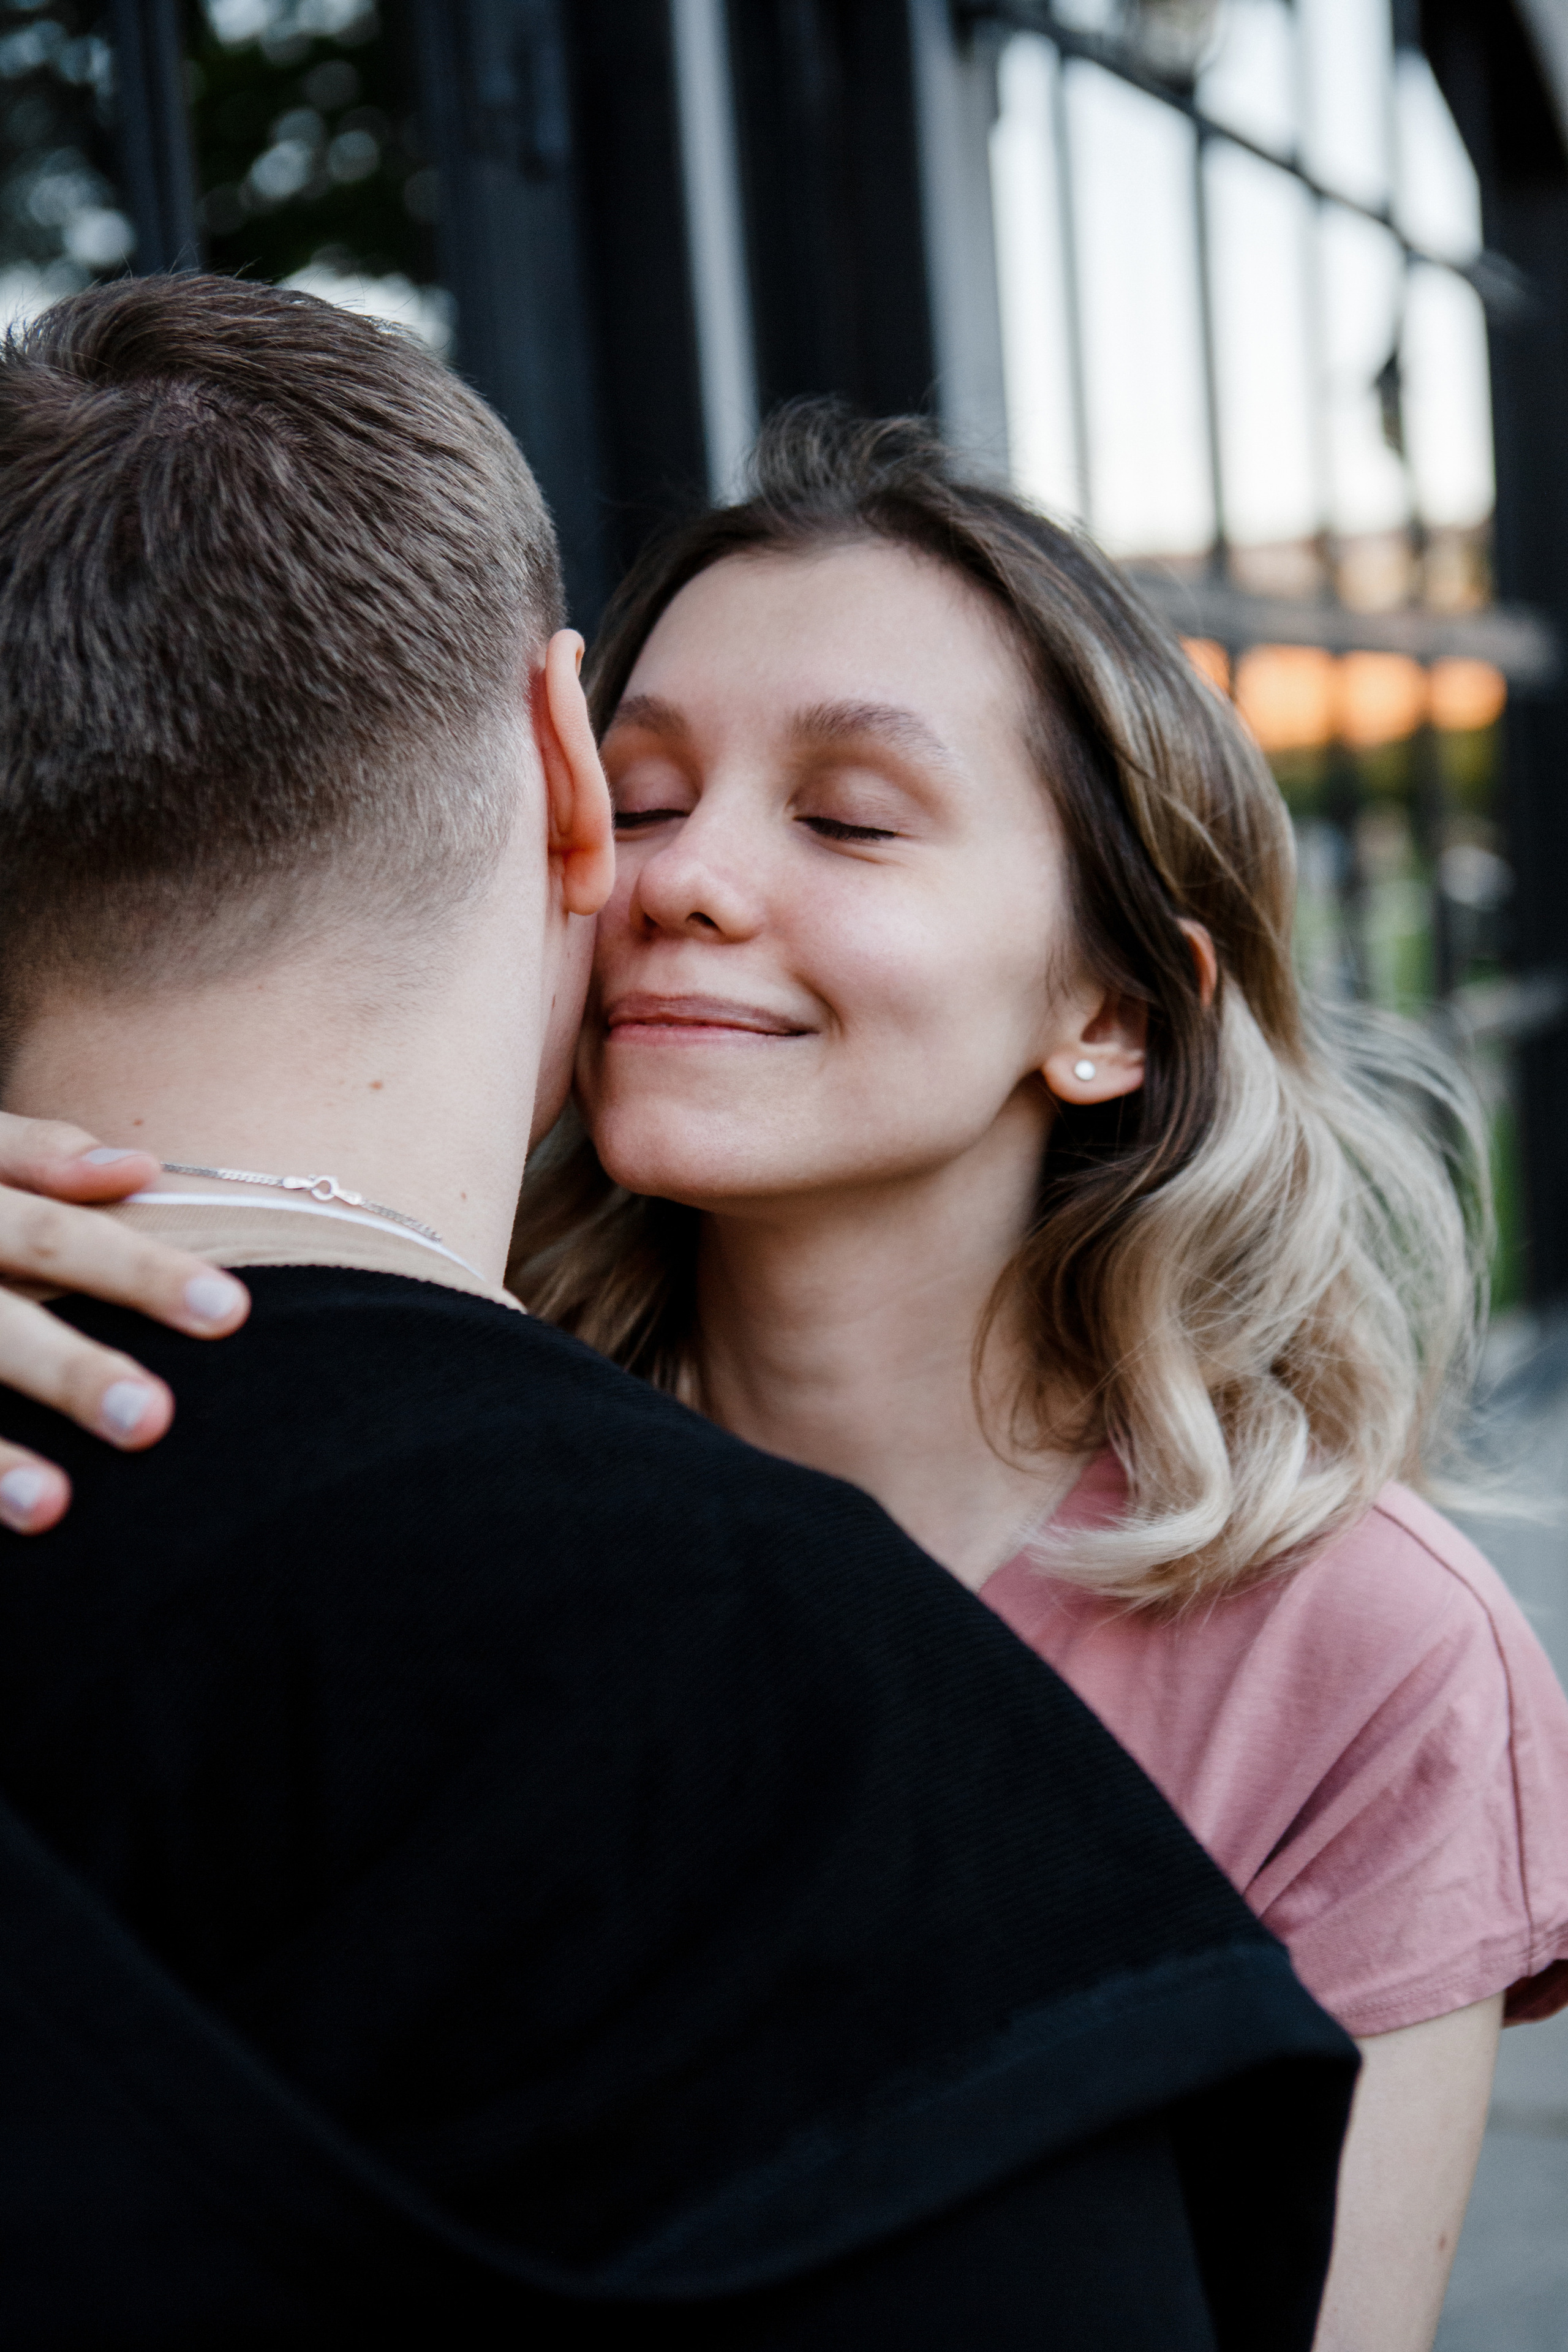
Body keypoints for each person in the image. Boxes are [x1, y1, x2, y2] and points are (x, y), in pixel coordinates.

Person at [0, 279, 1358, 2346]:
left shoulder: (1340, 1655)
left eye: (849, 816)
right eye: (646, 799)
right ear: (566, 777)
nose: (690, 883)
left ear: (1112, 1009)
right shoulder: (870, 1753)